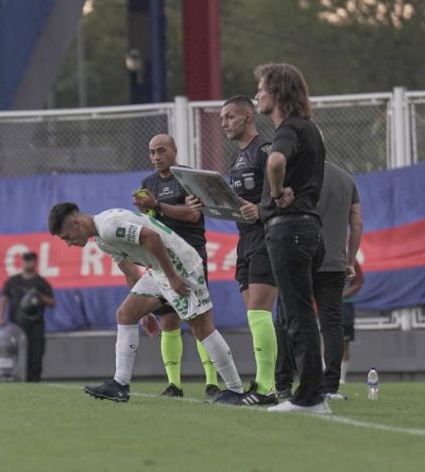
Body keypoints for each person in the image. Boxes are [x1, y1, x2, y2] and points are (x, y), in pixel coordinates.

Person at [48, 202, 243, 402]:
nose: (68, 243)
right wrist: (145, 310)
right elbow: (130, 271)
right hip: (160, 270)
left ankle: (235, 389)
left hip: (180, 266)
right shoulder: (101, 239)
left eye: (66, 238)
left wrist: (173, 277)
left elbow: (152, 237)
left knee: (202, 329)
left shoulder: (108, 227)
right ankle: (120, 384)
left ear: (75, 223)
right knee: (126, 314)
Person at [188, 95, 279, 406]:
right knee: (255, 317)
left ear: (248, 117)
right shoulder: (237, 158)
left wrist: (263, 210)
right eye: (222, 117)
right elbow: (235, 207)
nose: (224, 123)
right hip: (246, 241)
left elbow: (286, 193)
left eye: (229, 117)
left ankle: (267, 388)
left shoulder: (265, 151)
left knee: (259, 313)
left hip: (267, 238)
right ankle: (268, 381)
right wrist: (203, 203)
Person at [255, 63, 329, 414]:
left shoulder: (288, 129)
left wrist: (277, 190)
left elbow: (275, 161)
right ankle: (315, 394)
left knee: (297, 316)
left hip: (290, 230)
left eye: (261, 87)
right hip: (308, 229)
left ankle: (310, 397)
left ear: (279, 93)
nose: (257, 94)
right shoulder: (310, 129)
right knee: (298, 314)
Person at [131, 134, 221, 400]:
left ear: (174, 151)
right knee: (168, 320)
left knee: (199, 319)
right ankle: (174, 385)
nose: (156, 157)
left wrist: (157, 205)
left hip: (191, 256)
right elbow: (150, 222)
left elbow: (193, 214)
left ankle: (212, 383)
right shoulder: (147, 183)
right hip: (162, 259)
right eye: (152, 152)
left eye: (161, 151)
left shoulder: (188, 177)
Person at [274, 161, 363, 402]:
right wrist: (350, 260)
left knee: (287, 318)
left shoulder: (298, 172)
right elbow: (356, 223)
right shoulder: (346, 179)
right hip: (334, 261)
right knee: (332, 323)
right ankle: (331, 385)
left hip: (301, 258)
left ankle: (284, 383)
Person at [0, 252, 55, 382]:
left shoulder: (41, 283)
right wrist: (0, 318)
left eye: (31, 260)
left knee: (36, 354)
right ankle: (15, 379)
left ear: (35, 262)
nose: (28, 263)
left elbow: (52, 302)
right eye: (26, 260)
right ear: (22, 262)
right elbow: (3, 299)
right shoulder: (13, 281)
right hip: (16, 325)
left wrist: (39, 295)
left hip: (36, 325)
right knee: (15, 353)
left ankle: (34, 381)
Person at [340, 261, 363, 385]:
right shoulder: (321, 255)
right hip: (327, 304)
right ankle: (327, 376)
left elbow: (358, 282)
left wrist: (342, 295)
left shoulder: (351, 260)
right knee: (326, 341)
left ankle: (342, 378)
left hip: (345, 306)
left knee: (344, 343)